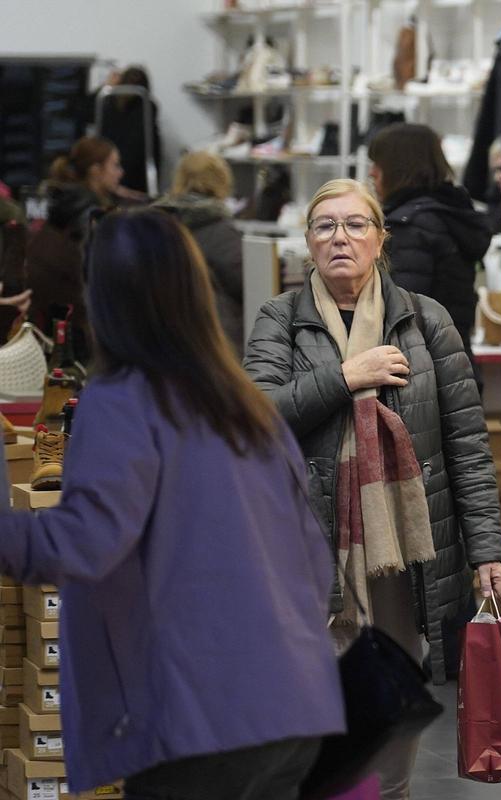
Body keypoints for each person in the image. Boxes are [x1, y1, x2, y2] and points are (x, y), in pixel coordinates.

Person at [0, 208, 344, 798]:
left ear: (103, 298)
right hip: (295, 706)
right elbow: (314, 562)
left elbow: (82, 545)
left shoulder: (125, 401)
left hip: (199, 718)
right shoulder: (245, 404)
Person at [244, 177, 501, 799]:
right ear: (308, 242)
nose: (341, 237)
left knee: (393, 681)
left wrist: (488, 550)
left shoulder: (425, 320)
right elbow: (258, 416)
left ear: (381, 239)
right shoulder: (279, 320)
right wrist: (345, 377)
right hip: (307, 543)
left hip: (399, 544)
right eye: (325, 226)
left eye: (356, 224)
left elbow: (466, 443)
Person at [367, 123, 492, 382]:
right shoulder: (450, 215)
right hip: (456, 364)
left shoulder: (410, 226)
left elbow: (401, 313)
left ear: (396, 166)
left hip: (421, 373)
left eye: (377, 164)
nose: (372, 173)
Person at [25, 135, 124, 363]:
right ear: (96, 170)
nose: (120, 172)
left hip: (53, 320)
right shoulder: (89, 218)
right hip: (78, 328)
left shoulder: (63, 204)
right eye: (115, 165)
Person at [156, 151, 245, 355]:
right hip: (213, 340)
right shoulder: (219, 229)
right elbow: (243, 282)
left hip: (163, 335)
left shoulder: (158, 223)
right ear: (221, 180)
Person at [96, 65, 163, 197]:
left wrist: (105, 85)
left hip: (111, 167)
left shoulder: (108, 102)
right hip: (139, 173)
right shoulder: (147, 106)